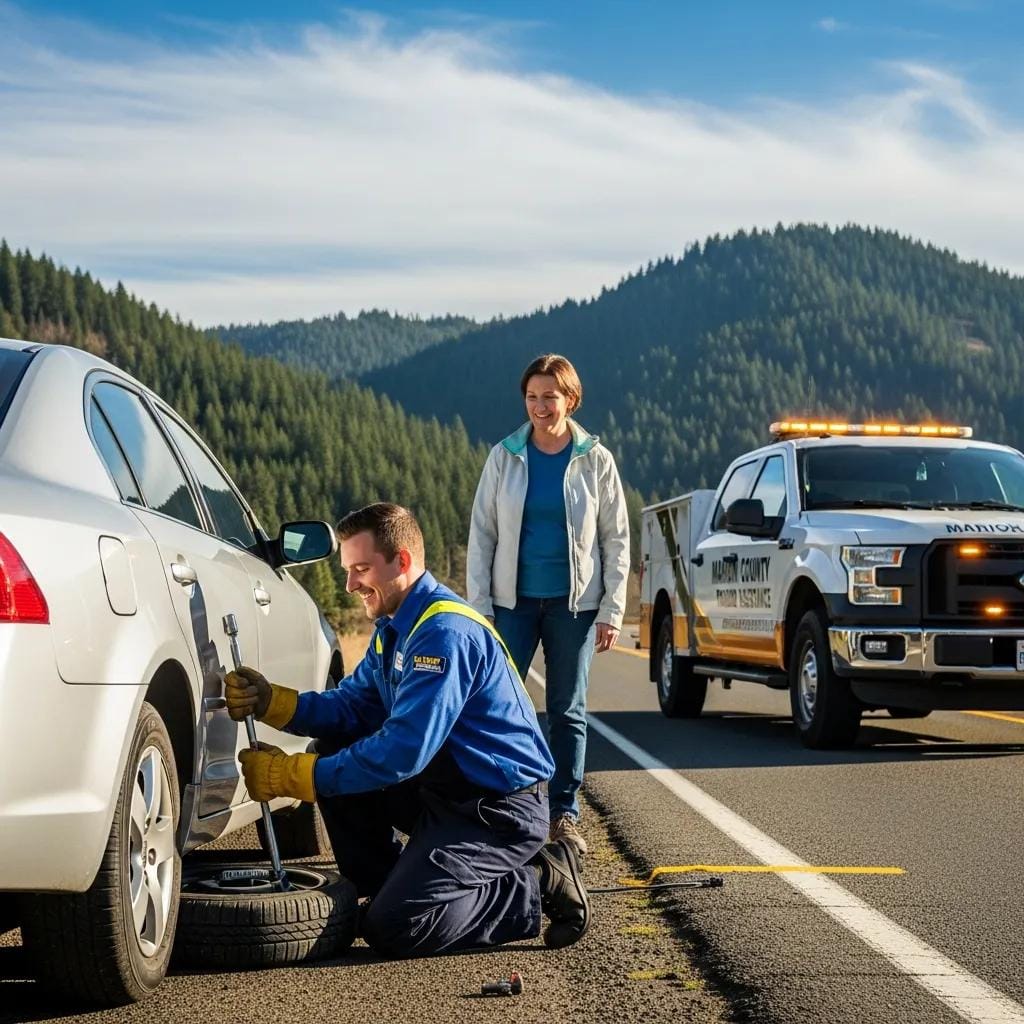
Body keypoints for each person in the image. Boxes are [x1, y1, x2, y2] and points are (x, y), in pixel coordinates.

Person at [225, 502, 590, 957]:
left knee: (395, 927)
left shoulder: (443, 634)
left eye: (361, 569)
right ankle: (385, 884)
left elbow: (403, 751)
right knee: (335, 743)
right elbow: (353, 705)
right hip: (446, 790)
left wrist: (296, 777)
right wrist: (276, 703)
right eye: (347, 570)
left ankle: (538, 880)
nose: (350, 584)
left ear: (401, 561)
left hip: (497, 811)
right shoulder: (396, 627)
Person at [467, 354, 630, 857]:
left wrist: (612, 610)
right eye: (532, 397)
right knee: (496, 705)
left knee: (567, 711)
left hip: (574, 608)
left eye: (550, 397)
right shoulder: (504, 457)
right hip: (510, 605)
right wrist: (480, 608)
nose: (540, 406)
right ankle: (502, 804)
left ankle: (563, 813)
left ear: (570, 399)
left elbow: (616, 540)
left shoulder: (595, 460)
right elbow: (482, 535)